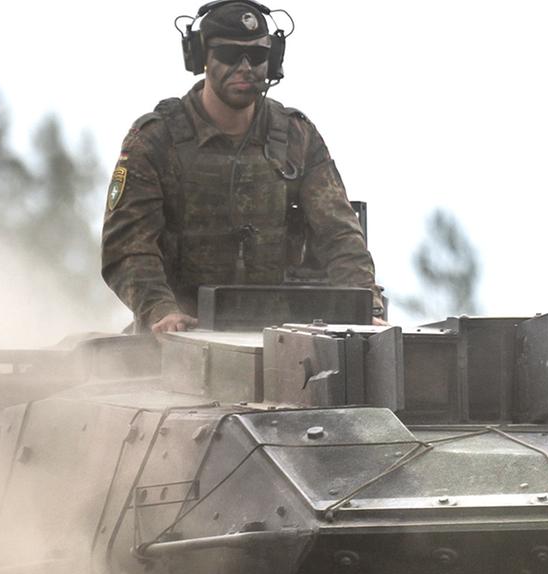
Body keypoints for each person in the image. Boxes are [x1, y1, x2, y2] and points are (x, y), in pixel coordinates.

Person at [101, 1, 383, 333]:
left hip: (277, 335)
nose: (245, 67)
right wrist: (160, 310)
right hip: (179, 334)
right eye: (230, 55)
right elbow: (128, 247)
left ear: (274, 59)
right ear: (201, 56)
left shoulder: (296, 137)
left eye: (258, 56)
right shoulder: (157, 140)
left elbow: (339, 235)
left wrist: (367, 311)